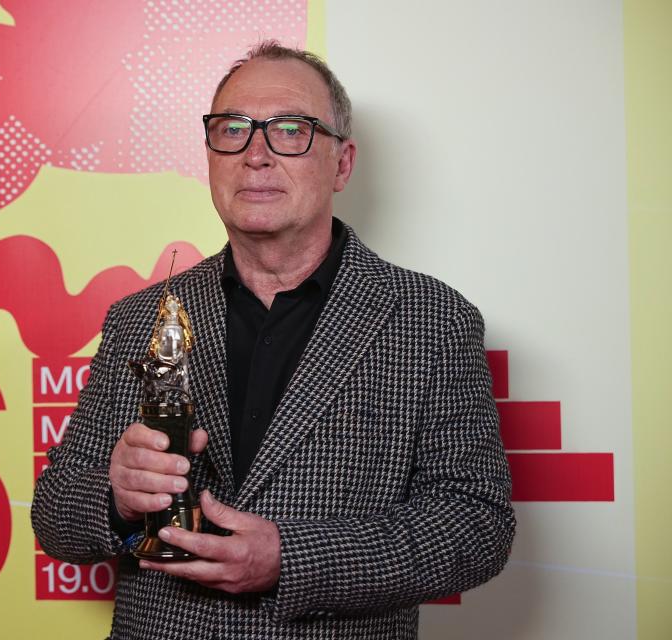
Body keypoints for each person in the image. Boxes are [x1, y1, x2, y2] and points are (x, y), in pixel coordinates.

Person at [31, 41, 515, 640]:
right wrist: (117, 498)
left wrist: (293, 559)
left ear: (343, 164)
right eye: (232, 129)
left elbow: (475, 526)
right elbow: (54, 516)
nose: (255, 154)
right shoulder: (139, 317)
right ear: (210, 155)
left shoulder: (433, 321)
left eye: (291, 130)